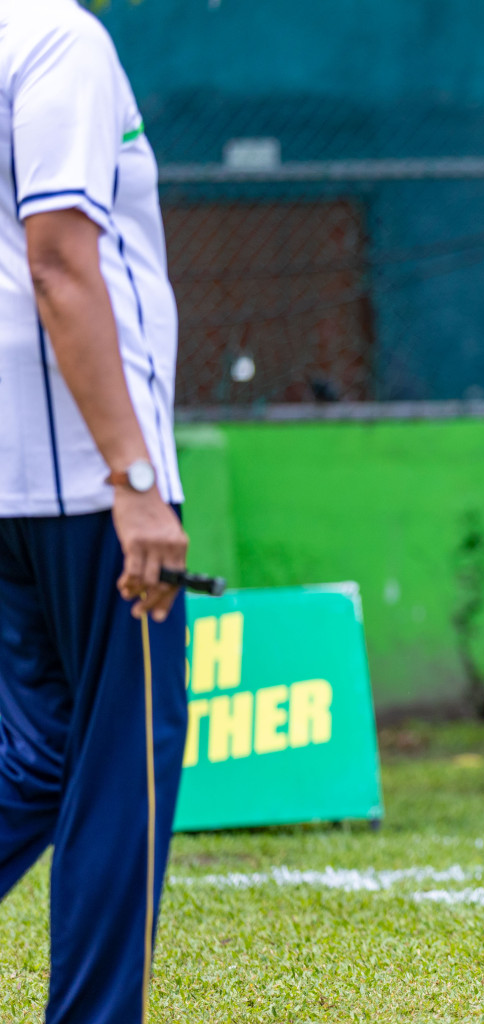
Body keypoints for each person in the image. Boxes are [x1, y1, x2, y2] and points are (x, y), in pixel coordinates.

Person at [0, 2, 190, 1021]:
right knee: (128, 757)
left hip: (13, 467)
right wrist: (132, 476)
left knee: (36, 750)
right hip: (80, 468)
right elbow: (61, 259)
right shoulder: (57, 39)